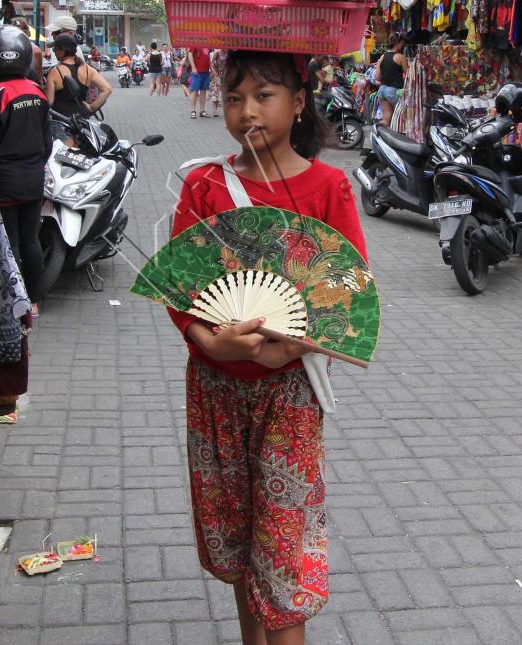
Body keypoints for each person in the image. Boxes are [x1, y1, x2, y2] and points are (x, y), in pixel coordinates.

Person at [167, 51, 367, 645]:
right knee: (234, 539)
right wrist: (215, 344)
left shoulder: (329, 188)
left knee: (281, 554)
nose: (245, 111)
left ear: (299, 102)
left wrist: (290, 350)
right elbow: (180, 291)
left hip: (288, 399)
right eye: (232, 98)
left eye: (263, 95)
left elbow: (346, 296)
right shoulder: (204, 186)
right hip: (214, 391)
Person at [0, 26, 53, 336]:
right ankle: (33, 301)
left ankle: (12, 305)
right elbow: (47, 142)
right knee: (30, 240)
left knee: (9, 245)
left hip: (3, 183)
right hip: (33, 179)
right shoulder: (36, 91)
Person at [47, 35, 113, 117]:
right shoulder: (88, 70)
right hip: (81, 120)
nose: (54, 52)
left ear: (63, 50)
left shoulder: (54, 72)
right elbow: (107, 89)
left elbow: (49, 102)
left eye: (55, 49)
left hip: (61, 121)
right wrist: (92, 107)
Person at [374, 33, 406, 127]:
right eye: (402, 43)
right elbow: (409, 76)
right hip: (394, 91)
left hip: (382, 90)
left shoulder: (382, 57)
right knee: (400, 119)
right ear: (398, 43)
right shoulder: (401, 57)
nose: (402, 45)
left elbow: (377, 77)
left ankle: (382, 137)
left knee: (386, 119)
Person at [187, 46, 213, 119]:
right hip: (197, 72)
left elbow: (208, 58)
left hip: (206, 72)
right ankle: (193, 110)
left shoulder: (207, 44)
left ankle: (202, 111)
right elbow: (190, 53)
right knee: (194, 91)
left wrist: (212, 68)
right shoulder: (195, 42)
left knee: (203, 91)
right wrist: (193, 67)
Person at [209, 48, 227, 117]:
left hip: (226, 74)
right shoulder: (217, 52)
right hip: (217, 74)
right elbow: (212, 63)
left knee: (226, 91)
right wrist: (214, 71)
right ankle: (215, 110)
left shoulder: (230, 53)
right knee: (215, 91)